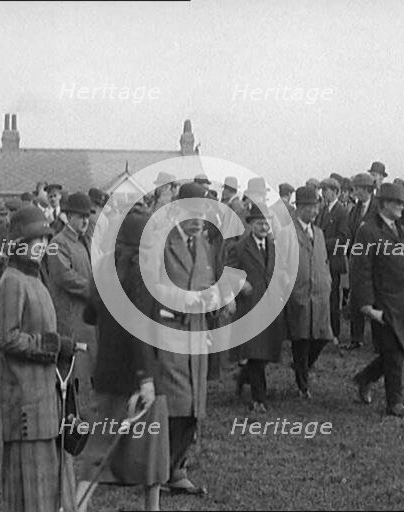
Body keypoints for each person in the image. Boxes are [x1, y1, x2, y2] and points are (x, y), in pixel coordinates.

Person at [77, 210, 169, 512]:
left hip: (107, 370)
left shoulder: (104, 270)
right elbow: (139, 328)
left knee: (99, 448)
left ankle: (77, 504)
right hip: (139, 374)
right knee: (151, 452)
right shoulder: (142, 273)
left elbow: (89, 315)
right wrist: (145, 379)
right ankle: (152, 508)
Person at [0, 206, 78, 512]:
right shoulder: (13, 280)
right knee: (31, 493)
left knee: (53, 487)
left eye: (45, 239)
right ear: (20, 243)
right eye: (35, 240)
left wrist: (63, 348)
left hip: (46, 397)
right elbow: (8, 338)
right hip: (25, 399)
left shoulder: (35, 278)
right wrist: (53, 345)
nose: (42, 245)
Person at [140, 182, 217, 496]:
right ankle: (159, 469)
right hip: (167, 333)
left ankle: (177, 467)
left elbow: (208, 281)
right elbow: (148, 286)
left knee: (195, 406)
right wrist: (182, 300)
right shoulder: (159, 242)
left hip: (197, 334)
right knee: (175, 403)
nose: (198, 218)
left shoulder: (204, 245)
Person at [351, 183, 404, 418]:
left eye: (402, 202)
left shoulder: (400, 229)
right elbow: (361, 270)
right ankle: (395, 402)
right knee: (393, 352)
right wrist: (367, 306)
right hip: (384, 302)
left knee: (398, 350)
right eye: (397, 202)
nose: (402, 206)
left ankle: (365, 378)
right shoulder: (367, 231)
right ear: (384, 204)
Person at [229, 203, 286, 412]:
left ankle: (244, 377)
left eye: (266, 223)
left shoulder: (273, 246)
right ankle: (259, 399)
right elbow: (228, 272)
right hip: (250, 307)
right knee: (255, 353)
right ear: (251, 225)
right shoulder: (240, 247)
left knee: (264, 351)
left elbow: (278, 271)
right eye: (259, 223)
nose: (264, 227)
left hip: (269, 306)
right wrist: (240, 283)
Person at [46, 192, 96, 413]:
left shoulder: (84, 241)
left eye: (87, 216)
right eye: (80, 216)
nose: (85, 221)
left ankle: (74, 416)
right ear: (68, 216)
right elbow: (65, 277)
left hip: (84, 318)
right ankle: (65, 419)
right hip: (67, 317)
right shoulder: (58, 243)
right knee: (67, 370)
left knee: (81, 369)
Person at [284, 186, 333, 399]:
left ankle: (301, 367)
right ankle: (302, 385)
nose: (314, 212)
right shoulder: (288, 232)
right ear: (299, 208)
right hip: (299, 294)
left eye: (316, 207)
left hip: (320, 294)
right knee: (301, 339)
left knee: (323, 336)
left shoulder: (319, 233)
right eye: (310, 207)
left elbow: (322, 261)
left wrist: (327, 282)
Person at [316, 178, 350, 345]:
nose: (324, 193)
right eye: (323, 190)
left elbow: (343, 238)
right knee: (324, 296)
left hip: (334, 260)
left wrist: (322, 243)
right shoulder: (323, 210)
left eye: (327, 190)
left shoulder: (341, 212)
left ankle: (334, 333)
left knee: (333, 298)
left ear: (336, 192)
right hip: (323, 260)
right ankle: (324, 330)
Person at [345, 172, 377, 350]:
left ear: (366, 189)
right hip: (357, 259)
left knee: (375, 297)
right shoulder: (355, 209)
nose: (355, 192)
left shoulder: (377, 207)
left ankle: (378, 338)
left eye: (357, 188)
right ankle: (356, 338)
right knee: (356, 296)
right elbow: (349, 231)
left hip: (374, 259)